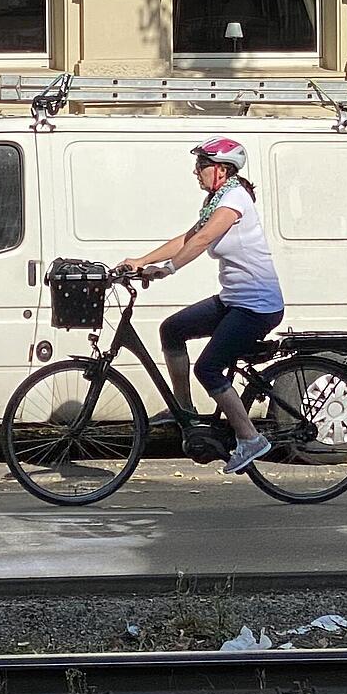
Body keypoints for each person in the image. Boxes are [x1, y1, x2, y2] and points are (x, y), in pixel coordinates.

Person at [115, 137, 285, 474]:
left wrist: (169, 269)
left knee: (207, 368)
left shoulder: (234, 198)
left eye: (201, 165)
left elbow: (204, 239)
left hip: (256, 306)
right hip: (233, 300)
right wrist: (141, 260)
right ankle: (185, 411)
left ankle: (250, 438)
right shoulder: (216, 200)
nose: (196, 171)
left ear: (222, 169)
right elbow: (188, 237)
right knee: (172, 330)